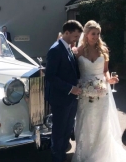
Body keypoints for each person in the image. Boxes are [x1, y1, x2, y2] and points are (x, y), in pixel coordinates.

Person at [71, 20, 126, 162]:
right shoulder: (78, 51)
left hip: (102, 93)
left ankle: (101, 154)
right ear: (86, 34)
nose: (96, 36)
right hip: (85, 93)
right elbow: (73, 72)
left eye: (98, 34)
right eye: (93, 34)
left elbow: (105, 71)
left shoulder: (104, 50)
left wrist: (109, 80)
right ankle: (85, 153)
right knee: (86, 123)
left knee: (102, 123)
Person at [45, 20, 83, 162]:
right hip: (60, 98)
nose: (76, 40)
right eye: (74, 36)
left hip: (71, 98)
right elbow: (50, 76)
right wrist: (70, 88)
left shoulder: (67, 47)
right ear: (66, 33)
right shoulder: (55, 49)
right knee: (59, 131)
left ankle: (62, 156)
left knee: (67, 130)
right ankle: (57, 158)